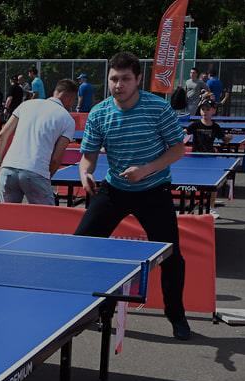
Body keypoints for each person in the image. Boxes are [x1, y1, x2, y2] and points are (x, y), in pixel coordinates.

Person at [75, 52, 191, 341]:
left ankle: (176, 315)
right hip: (114, 189)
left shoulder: (158, 108)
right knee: (80, 247)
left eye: (125, 79)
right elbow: (88, 156)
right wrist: (85, 173)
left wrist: (146, 170)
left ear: (138, 79)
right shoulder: (99, 113)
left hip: (154, 190)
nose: (119, 85)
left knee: (171, 256)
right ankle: (84, 308)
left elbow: (178, 149)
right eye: (114, 79)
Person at [0, 78, 79, 205]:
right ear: (70, 97)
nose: (72, 104)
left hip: (8, 168)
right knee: (46, 216)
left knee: (6, 215)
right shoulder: (68, 120)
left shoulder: (26, 105)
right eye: (73, 100)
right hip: (36, 171)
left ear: (56, 91)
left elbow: (1, 135)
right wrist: (46, 177)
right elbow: (56, 159)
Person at [185, 99, 227, 216]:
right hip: (196, 158)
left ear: (213, 111)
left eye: (207, 109)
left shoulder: (215, 127)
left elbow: (224, 139)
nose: (204, 111)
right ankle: (191, 204)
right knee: (190, 184)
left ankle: (211, 207)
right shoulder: (195, 125)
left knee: (212, 185)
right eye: (203, 109)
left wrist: (228, 138)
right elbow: (185, 132)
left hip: (210, 158)